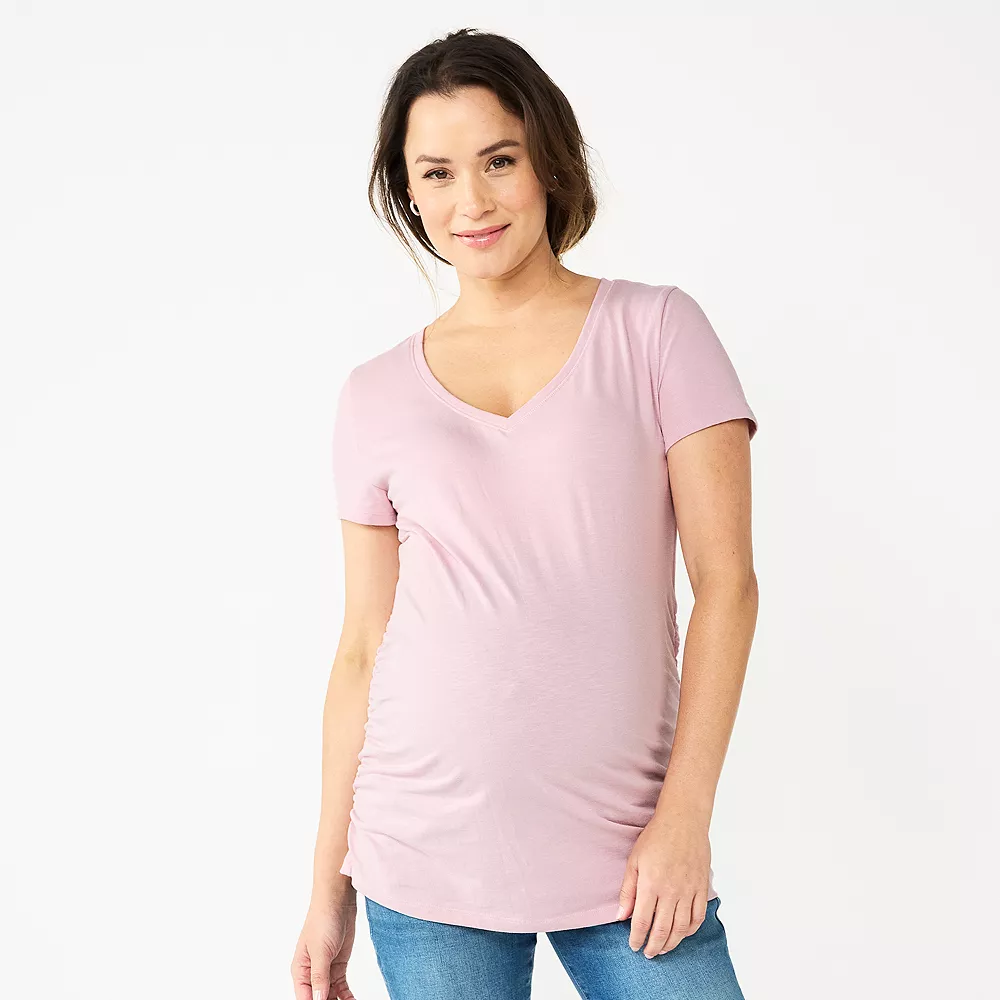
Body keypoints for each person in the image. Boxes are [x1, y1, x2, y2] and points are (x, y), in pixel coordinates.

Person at [292, 27, 758, 1000]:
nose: (472, 200)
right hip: (421, 856)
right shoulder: (373, 394)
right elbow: (363, 649)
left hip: (631, 853)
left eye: (498, 160)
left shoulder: (657, 330)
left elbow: (727, 587)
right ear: (409, 192)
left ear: (547, 159)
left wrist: (685, 817)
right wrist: (327, 888)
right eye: (437, 172)